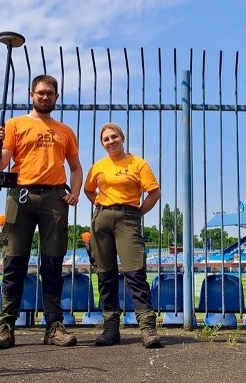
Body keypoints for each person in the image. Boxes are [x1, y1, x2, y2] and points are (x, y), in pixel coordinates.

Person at [0, 74, 83, 350]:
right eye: (40, 93)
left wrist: (74, 191)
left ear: (56, 97)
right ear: (32, 95)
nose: (45, 97)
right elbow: (1, 163)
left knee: (52, 264)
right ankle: (6, 328)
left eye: (50, 93)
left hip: (54, 197)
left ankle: (54, 327)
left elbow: (76, 167)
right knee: (14, 263)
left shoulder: (65, 130)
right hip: (21, 195)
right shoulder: (15, 125)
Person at [84, 123, 162, 348]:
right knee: (105, 275)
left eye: (114, 137)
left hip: (128, 217)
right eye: (106, 139)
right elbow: (89, 189)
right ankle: (110, 329)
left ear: (122, 137)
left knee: (135, 273)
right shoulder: (98, 167)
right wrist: (100, 203)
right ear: (102, 143)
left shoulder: (138, 164)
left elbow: (154, 192)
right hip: (102, 219)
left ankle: (147, 328)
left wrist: (138, 213)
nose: (111, 141)